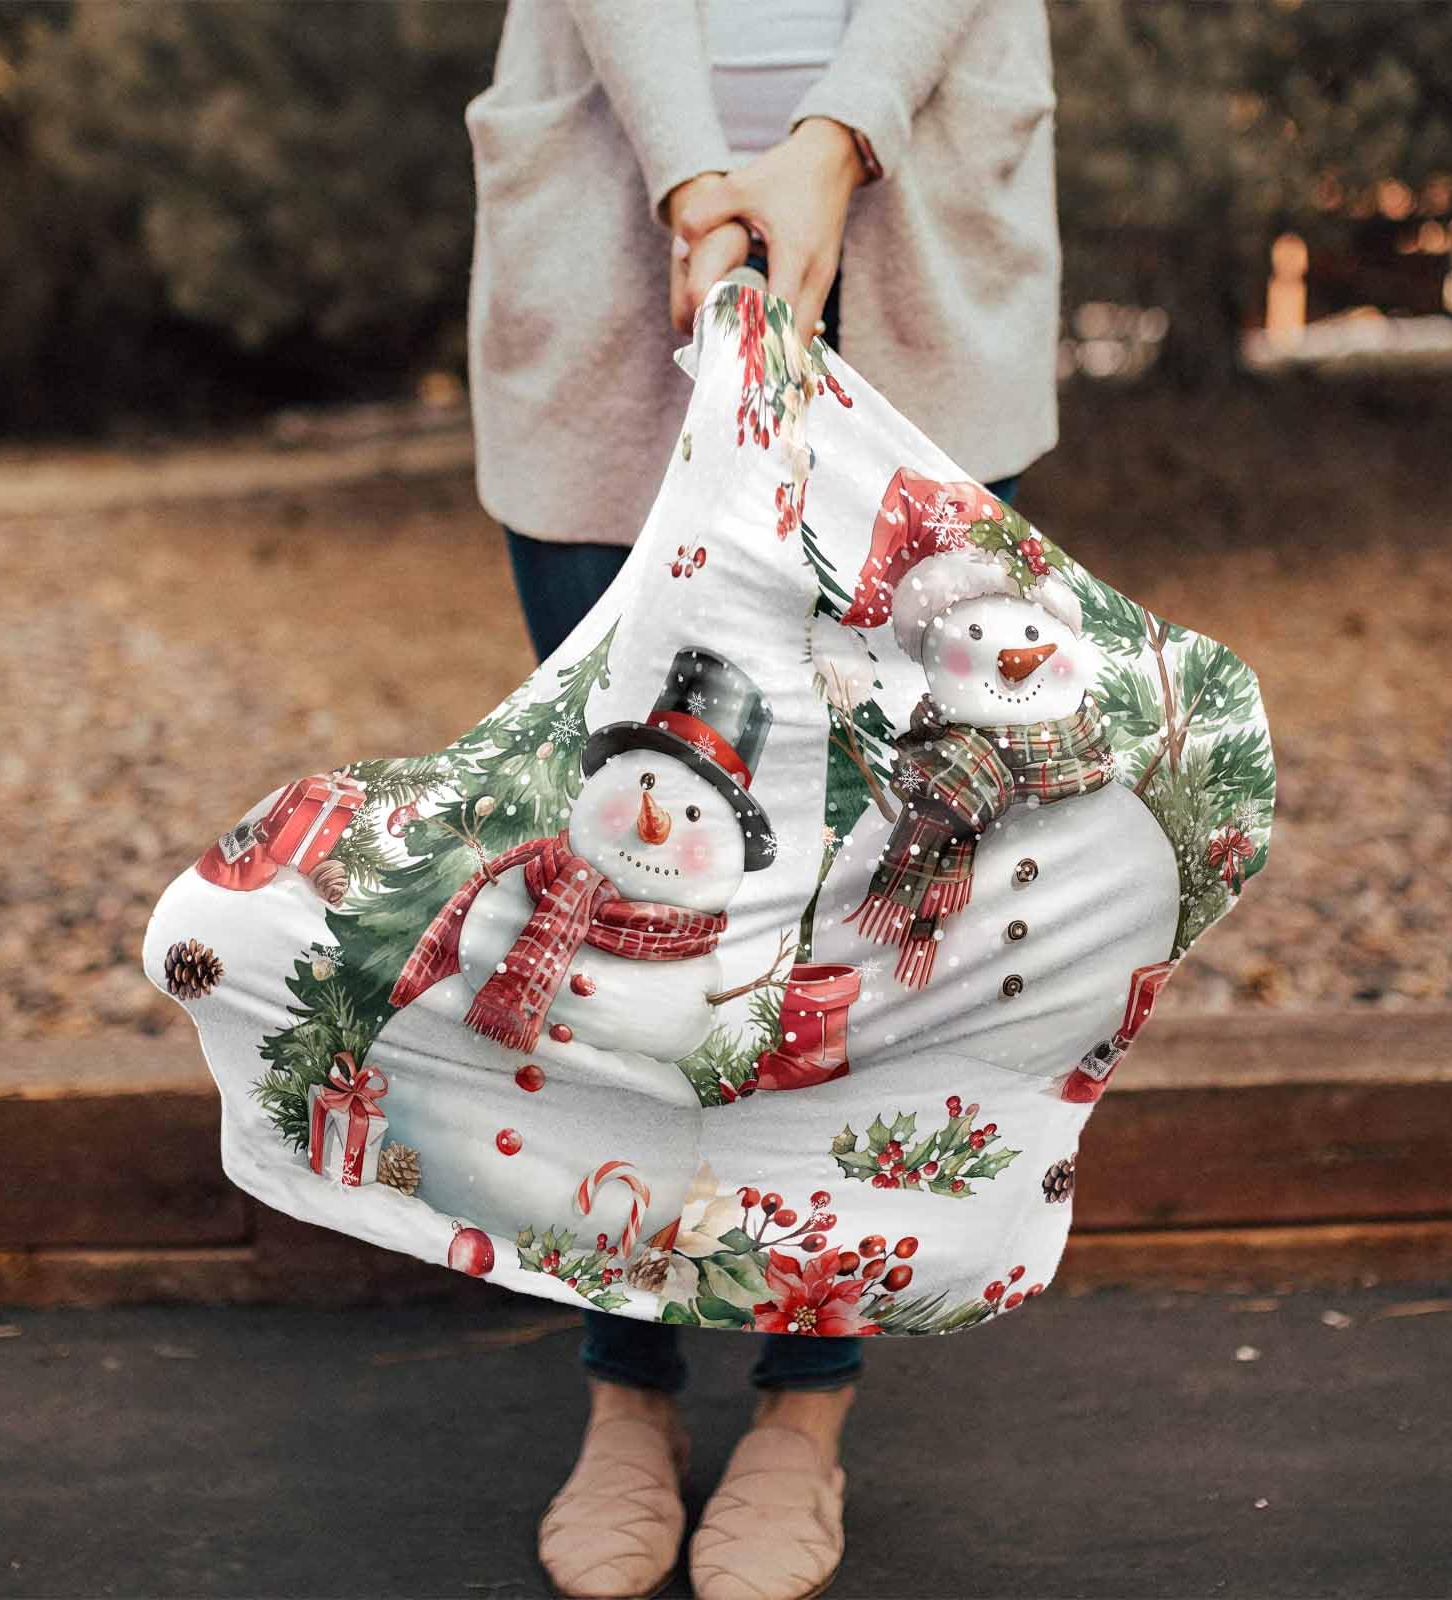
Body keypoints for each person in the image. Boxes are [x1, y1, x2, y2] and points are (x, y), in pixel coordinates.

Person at [464, 4, 1060, 1595]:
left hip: (915, 225)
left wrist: (834, 137)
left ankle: (805, 1406)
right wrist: (691, 178)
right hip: (616, 227)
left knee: (870, 887)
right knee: (622, 877)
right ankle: (627, 1387)